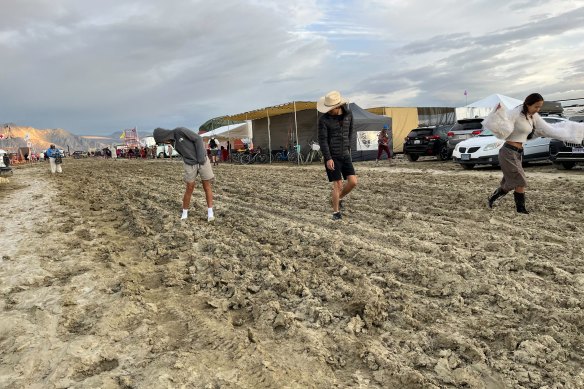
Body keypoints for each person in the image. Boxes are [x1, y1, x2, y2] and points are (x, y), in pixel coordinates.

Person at [484, 93, 584, 214]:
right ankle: (521, 210)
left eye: (540, 107)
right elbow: (501, 127)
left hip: (518, 153)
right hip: (508, 152)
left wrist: (571, 131)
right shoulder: (515, 113)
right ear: (527, 104)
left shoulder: (533, 117)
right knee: (520, 180)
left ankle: (492, 198)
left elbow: (547, 129)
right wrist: (498, 113)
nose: (538, 109)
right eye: (536, 106)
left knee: (511, 182)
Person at [153, 127, 215, 222]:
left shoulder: (180, 131)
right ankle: (184, 213)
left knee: (206, 186)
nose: (163, 142)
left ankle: (210, 213)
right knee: (189, 187)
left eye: (161, 141)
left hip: (202, 160)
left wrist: (201, 158)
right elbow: (184, 152)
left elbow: (198, 138)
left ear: (163, 136)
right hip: (190, 164)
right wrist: (187, 160)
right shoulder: (172, 142)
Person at [317, 90, 357, 220]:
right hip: (332, 157)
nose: (328, 110)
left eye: (331, 108)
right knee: (338, 185)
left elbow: (350, 132)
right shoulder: (323, 120)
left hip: (345, 154)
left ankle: (338, 198)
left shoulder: (349, 114)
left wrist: (348, 147)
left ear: (338, 106)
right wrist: (328, 158)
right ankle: (336, 213)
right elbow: (322, 140)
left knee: (353, 182)